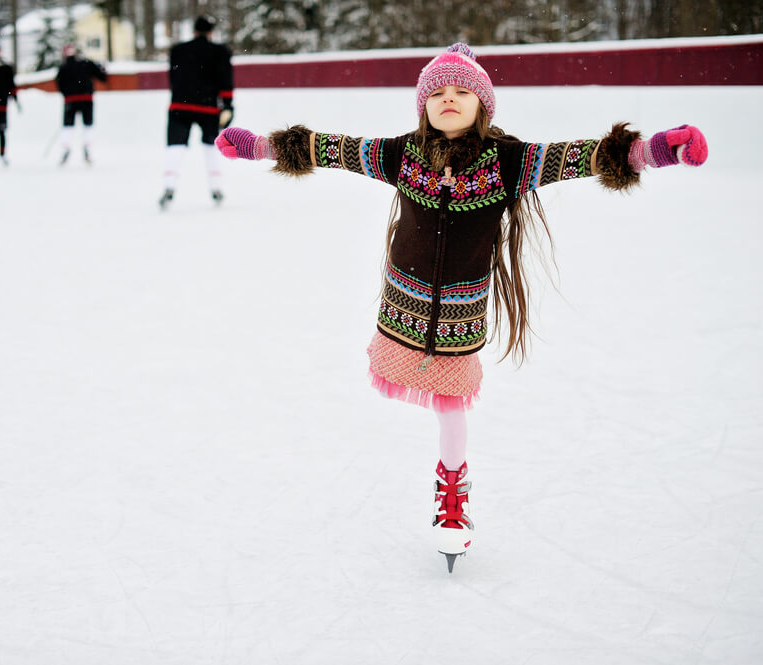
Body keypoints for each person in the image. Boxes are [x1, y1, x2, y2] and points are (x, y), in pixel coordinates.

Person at [215, 43, 708, 572]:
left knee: (451, 406)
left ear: (483, 106)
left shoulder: (507, 163)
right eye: (438, 92)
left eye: (462, 91)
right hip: (402, 307)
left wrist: (653, 151)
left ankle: (452, 497)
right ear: (423, 104)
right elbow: (332, 148)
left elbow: (578, 157)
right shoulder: (402, 154)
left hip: (458, 317)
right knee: (432, 397)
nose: (449, 99)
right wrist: (262, 147)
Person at [159, 15, 234, 209]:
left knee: (175, 146)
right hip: (208, 107)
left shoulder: (178, 50)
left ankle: (169, 186)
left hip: (179, 106)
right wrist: (227, 104)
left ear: (193, 31)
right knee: (211, 146)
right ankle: (216, 188)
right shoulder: (219, 52)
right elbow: (226, 79)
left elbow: (173, 77)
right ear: (211, 32)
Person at [54, 43, 108, 165]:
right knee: (87, 125)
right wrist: (103, 68)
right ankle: (87, 148)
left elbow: (59, 83)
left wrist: (67, 94)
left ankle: (65, 149)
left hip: (71, 100)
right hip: (86, 98)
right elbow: (103, 77)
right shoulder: (86, 64)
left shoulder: (64, 67)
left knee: (68, 126)